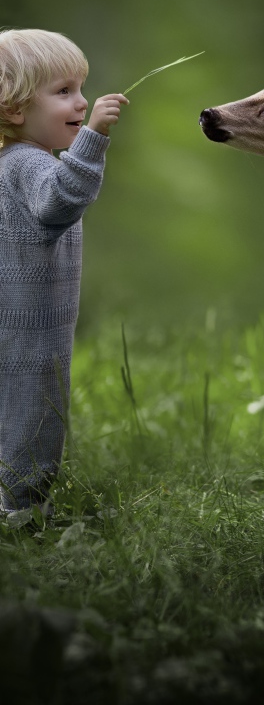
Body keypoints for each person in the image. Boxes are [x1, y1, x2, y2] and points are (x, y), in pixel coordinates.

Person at [0, 28, 128, 526]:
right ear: (15, 109)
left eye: (81, 88)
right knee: (33, 410)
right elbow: (60, 201)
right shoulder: (26, 163)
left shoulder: (18, 161)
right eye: (63, 91)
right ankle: (21, 508)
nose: (82, 101)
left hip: (25, 319)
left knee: (19, 405)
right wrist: (94, 137)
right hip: (28, 327)